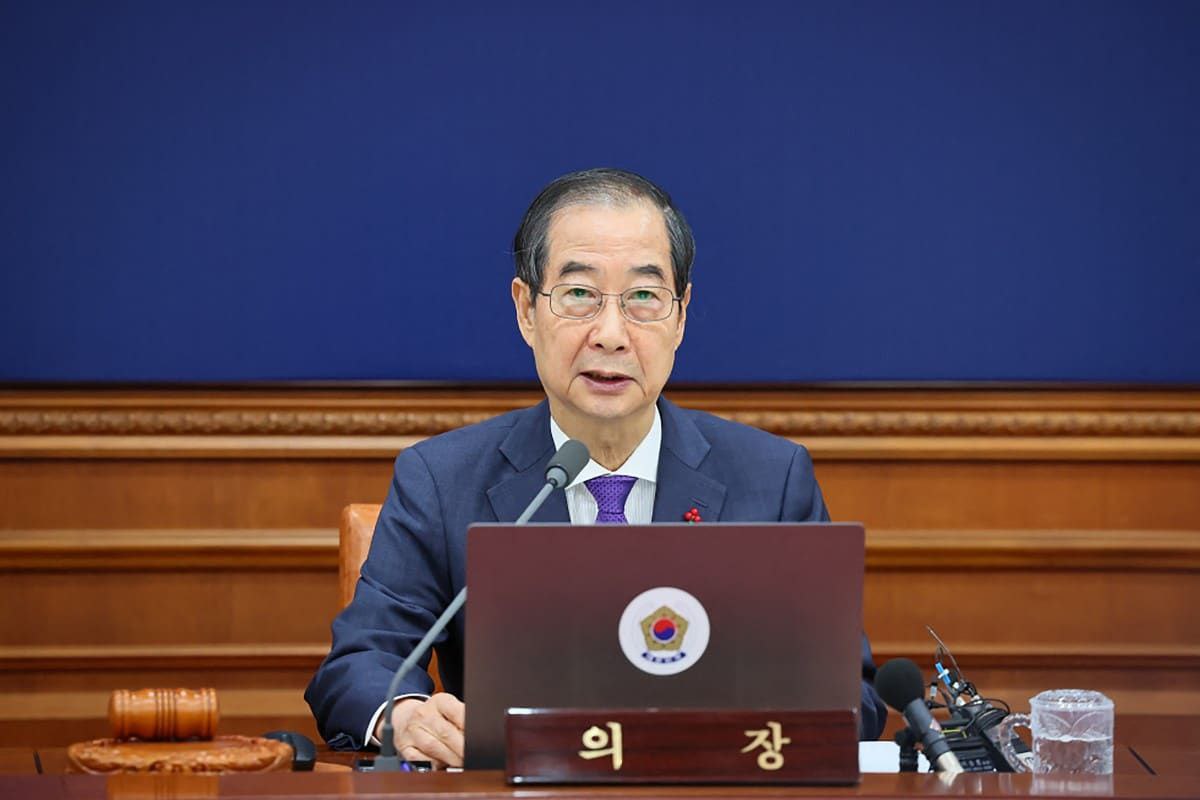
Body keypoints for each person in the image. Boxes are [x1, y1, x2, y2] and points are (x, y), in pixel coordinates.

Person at [305, 167, 888, 765]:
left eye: (643, 297)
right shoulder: (441, 479)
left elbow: (852, 695)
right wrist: (406, 716)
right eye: (579, 294)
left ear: (681, 315)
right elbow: (360, 664)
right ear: (526, 310)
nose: (611, 334)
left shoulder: (773, 479)